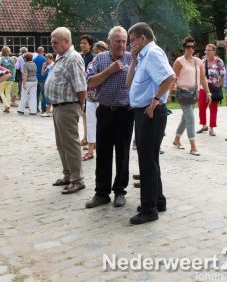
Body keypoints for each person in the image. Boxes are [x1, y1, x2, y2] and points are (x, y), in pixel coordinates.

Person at [126, 22, 175, 224]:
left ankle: (149, 209)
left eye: (132, 41)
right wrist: (134, 58)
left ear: (142, 38)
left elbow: (170, 77)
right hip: (144, 112)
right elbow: (129, 83)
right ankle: (158, 200)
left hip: (150, 113)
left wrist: (155, 101)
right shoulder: (143, 56)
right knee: (150, 160)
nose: (130, 45)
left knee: (147, 162)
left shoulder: (153, 53)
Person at [84, 26, 133, 209]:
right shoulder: (100, 58)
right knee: (103, 153)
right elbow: (90, 82)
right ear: (110, 41)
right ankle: (101, 193)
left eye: (123, 41)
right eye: (117, 41)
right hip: (104, 111)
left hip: (125, 112)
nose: (121, 44)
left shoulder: (132, 58)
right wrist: (110, 71)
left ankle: (120, 191)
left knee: (123, 153)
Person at [45, 27, 87, 194]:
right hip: (59, 107)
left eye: (55, 42)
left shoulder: (73, 58)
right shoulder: (61, 57)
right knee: (61, 145)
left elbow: (81, 86)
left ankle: (77, 180)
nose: (52, 44)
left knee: (70, 145)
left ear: (66, 41)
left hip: (68, 106)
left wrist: (80, 106)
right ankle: (68, 175)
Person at [172, 36, 212, 156]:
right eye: (188, 46)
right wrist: (168, 94)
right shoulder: (179, 61)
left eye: (192, 47)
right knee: (190, 118)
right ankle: (193, 147)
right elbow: (172, 78)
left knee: (185, 118)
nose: (190, 49)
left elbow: (203, 79)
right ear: (184, 48)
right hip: (183, 93)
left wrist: (208, 92)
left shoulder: (198, 61)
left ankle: (176, 139)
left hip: (194, 93)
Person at [82, 41, 108, 161]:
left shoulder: (109, 63)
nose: (98, 54)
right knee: (91, 123)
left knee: (103, 125)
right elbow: (87, 77)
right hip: (91, 97)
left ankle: (103, 150)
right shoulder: (92, 63)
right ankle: (91, 150)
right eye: (96, 52)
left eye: (100, 52)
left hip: (104, 99)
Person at [197, 44, 225, 136]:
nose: (207, 52)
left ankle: (212, 128)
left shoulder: (219, 62)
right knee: (201, 107)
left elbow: (223, 75)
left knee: (213, 108)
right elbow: (200, 75)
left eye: (209, 50)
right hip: (203, 87)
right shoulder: (203, 61)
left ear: (214, 51)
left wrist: (218, 86)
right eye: (206, 50)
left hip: (214, 88)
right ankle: (204, 125)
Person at [79, 34, 95, 147]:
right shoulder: (81, 57)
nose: (82, 45)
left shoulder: (92, 57)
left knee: (89, 116)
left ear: (90, 45)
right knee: (84, 115)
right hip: (81, 87)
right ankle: (85, 137)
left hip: (89, 89)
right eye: (81, 43)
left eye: (85, 43)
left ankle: (90, 140)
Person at [0, 46, 16, 113]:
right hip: (11, 77)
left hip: (3, 77)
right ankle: (7, 108)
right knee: (7, 93)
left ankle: (7, 105)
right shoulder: (12, 59)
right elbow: (14, 69)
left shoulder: (1, 59)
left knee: (1, 92)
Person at [34, 47, 47, 113]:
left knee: (36, 93)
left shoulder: (34, 59)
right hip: (42, 77)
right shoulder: (44, 59)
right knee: (43, 94)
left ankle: (36, 108)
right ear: (43, 51)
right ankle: (43, 108)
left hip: (36, 77)